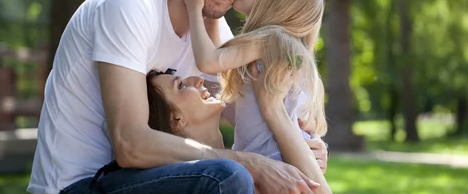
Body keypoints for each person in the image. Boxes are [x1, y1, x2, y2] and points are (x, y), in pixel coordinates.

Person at [28, 0, 326, 194]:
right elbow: (130, 144)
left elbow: (252, 112)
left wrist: (304, 148)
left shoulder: (212, 27)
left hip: (146, 178)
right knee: (228, 176)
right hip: (80, 184)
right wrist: (250, 163)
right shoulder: (129, 7)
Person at [181, 0, 331, 192]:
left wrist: (194, 9)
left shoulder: (268, 40)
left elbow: (208, 61)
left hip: (269, 168)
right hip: (291, 165)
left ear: (273, 1)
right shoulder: (295, 54)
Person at [140, 67, 331, 194]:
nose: (198, 80)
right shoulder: (226, 178)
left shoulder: (257, 162)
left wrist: (307, 152)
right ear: (176, 120)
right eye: (181, 86)